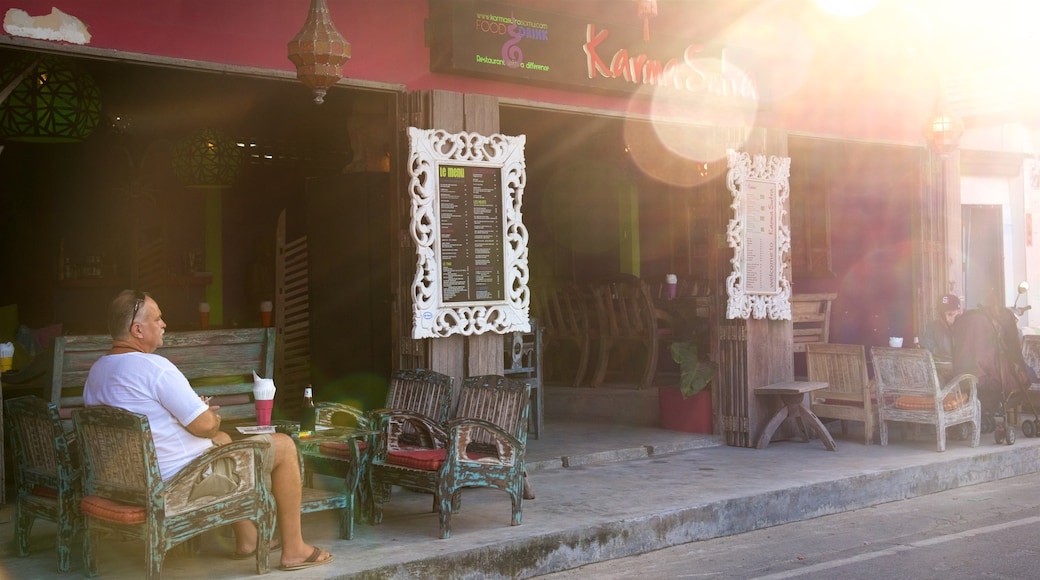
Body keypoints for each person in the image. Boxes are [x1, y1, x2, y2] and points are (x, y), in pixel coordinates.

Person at [83, 290, 333, 571]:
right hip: (178, 484)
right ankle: (295, 549)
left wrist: (197, 423)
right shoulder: (155, 368)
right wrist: (210, 417)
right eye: (157, 318)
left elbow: (147, 419)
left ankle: (248, 539)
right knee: (284, 445)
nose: (164, 324)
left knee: (222, 440)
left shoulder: (97, 372)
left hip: (129, 482)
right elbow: (203, 426)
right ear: (137, 329)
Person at [951, 286, 1031, 418]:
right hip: (992, 375)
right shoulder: (1003, 317)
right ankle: (1007, 413)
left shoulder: (963, 319)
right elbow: (1014, 349)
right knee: (1026, 376)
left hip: (966, 376)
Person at [921, 294, 962, 362]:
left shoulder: (969, 327)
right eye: (942, 315)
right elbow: (925, 351)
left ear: (960, 311)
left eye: (950, 314)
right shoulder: (933, 327)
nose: (946, 319)